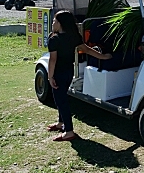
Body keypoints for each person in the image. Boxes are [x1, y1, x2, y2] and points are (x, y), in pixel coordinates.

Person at [46, 10, 111, 141]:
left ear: (61, 24)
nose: (53, 23)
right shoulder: (74, 36)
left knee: (61, 101)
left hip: (58, 73)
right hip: (69, 71)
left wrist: (50, 76)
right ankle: (60, 123)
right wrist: (103, 56)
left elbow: (52, 60)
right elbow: (87, 49)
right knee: (62, 97)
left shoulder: (53, 39)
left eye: (55, 21)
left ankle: (69, 131)